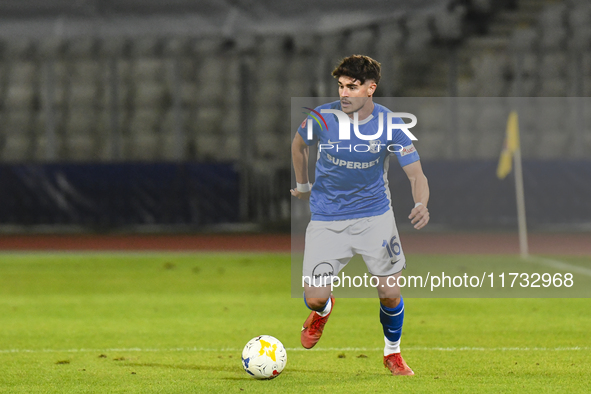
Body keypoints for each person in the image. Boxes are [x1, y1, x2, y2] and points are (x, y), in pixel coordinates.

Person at [290, 55, 430, 376]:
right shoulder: (322, 118)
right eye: (340, 86)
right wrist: (302, 184)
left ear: (371, 89)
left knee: (390, 292)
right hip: (327, 218)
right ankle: (323, 310)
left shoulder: (390, 124)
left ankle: (392, 353)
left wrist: (420, 203)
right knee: (313, 298)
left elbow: (416, 175)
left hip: (374, 217)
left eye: (352, 87)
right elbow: (298, 146)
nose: (344, 93)